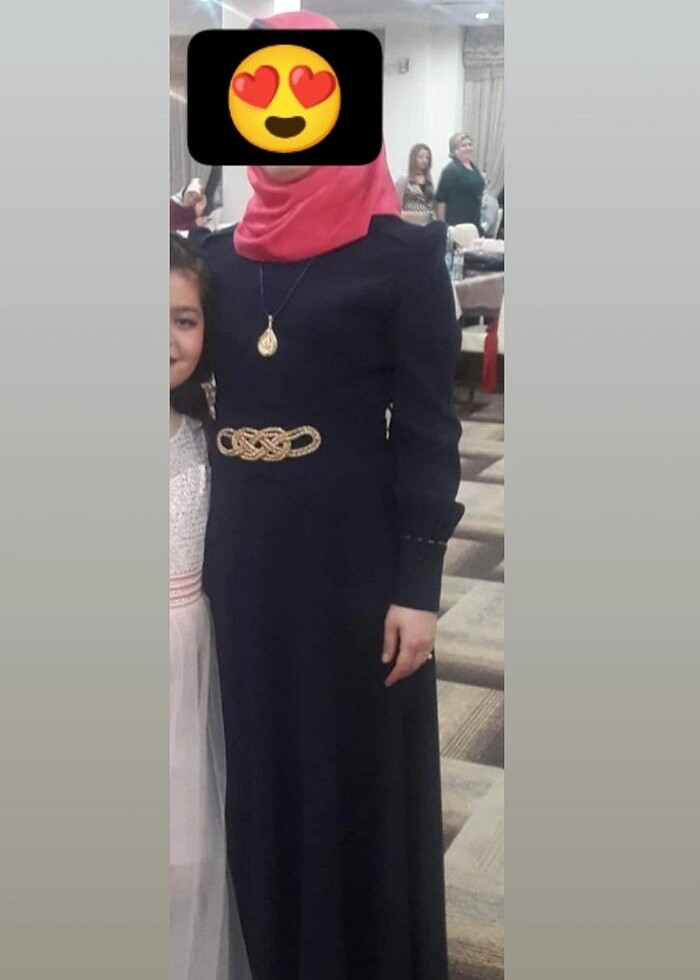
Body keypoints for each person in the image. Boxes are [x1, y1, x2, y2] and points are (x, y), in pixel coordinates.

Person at [198, 11, 465, 979]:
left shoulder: (399, 255)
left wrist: (418, 585)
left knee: (349, 760)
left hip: (352, 558)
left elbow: (431, 427)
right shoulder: (216, 260)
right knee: (259, 754)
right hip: (240, 550)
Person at [169, 234, 252, 980]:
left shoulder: (207, 440)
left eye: (184, 320)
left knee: (187, 850)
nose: (165, 340)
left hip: (186, 661)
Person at [435, 132, 485, 229]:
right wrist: (442, 226)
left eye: (470, 145)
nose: (468, 148)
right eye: (464, 145)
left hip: (474, 222)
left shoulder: (474, 168)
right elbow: (441, 200)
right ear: (455, 150)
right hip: (457, 223)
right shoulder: (450, 170)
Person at [395, 142, 436, 219]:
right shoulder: (404, 180)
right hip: (409, 220)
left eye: (427, 158)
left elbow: (432, 204)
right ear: (414, 158)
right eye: (421, 157)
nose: (424, 160)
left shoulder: (429, 182)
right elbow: (397, 203)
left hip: (427, 221)